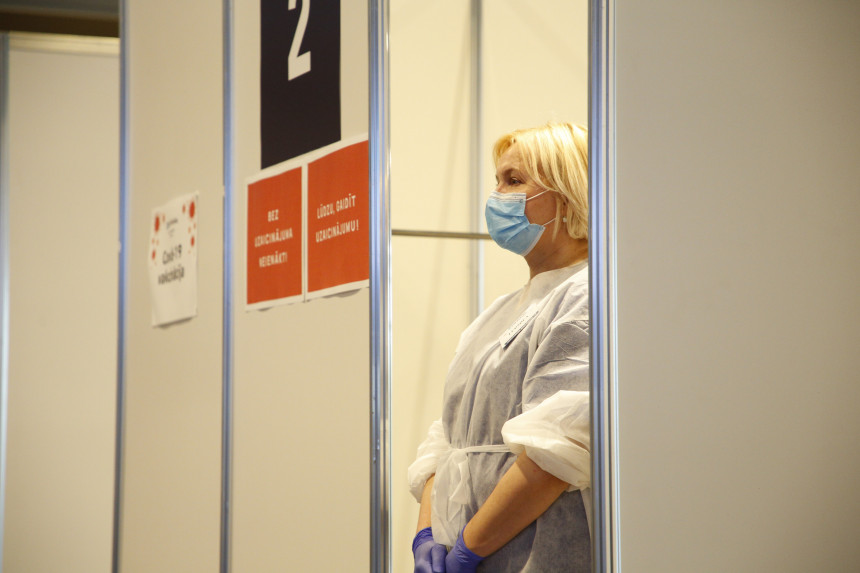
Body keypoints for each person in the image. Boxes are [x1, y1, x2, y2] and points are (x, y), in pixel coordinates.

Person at [408, 122, 592, 573]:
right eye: (497, 180)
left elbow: (556, 452)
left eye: (514, 181)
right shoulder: (498, 313)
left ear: (568, 195)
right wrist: (427, 536)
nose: (497, 196)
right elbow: (447, 438)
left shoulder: (587, 296)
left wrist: (469, 550)